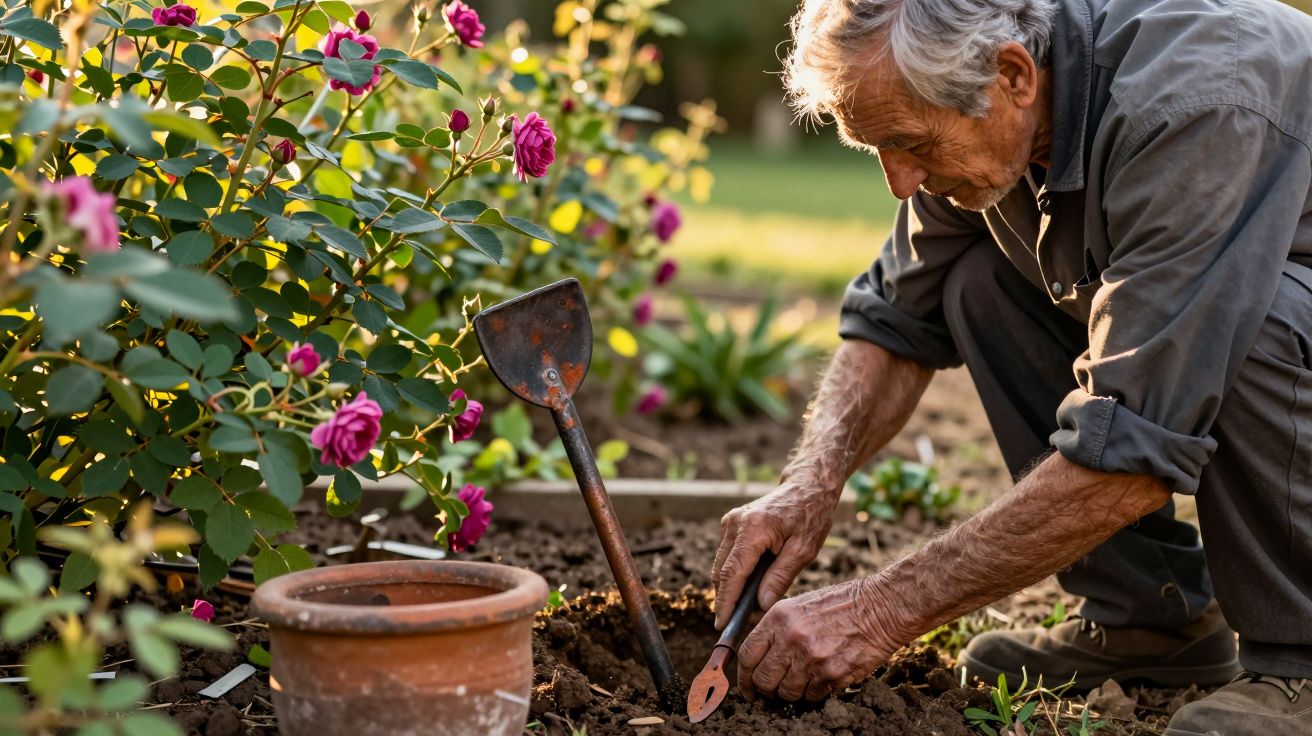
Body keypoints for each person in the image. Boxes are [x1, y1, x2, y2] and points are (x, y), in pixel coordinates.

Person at [709, 0, 1312, 732]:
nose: (900, 184)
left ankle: (1299, 663)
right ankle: (1151, 621)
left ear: (1014, 76)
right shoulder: (990, 105)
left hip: (1279, 305)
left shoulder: (1192, 108)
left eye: (910, 144)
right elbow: (895, 317)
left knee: (1257, 318)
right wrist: (809, 484)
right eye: (879, 151)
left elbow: (1133, 450)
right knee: (976, 281)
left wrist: (879, 611)